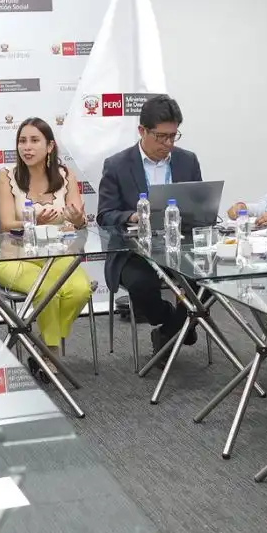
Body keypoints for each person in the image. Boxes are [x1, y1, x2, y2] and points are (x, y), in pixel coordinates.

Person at [97, 95, 202, 352]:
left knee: (210, 279)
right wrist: (131, 216)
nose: (168, 143)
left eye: (173, 136)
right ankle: (175, 322)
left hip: (180, 247)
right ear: (142, 131)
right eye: (161, 136)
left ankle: (170, 333)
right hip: (133, 253)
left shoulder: (187, 160)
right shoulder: (117, 165)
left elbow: (199, 206)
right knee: (141, 285)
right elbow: (105, 214)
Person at [0, 117, 93, 354]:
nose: (27, 147)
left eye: (34, 140)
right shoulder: (7, 175)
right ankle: (51, 352)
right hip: (13, 256)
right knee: (46, 291)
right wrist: (35, 220)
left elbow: (78, 220)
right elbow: (6, 223)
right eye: (22, 141)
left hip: (56, 254)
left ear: (49, 146)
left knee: (80, 290)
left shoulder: (66, 176)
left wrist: (77, 219)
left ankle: (44, 344)